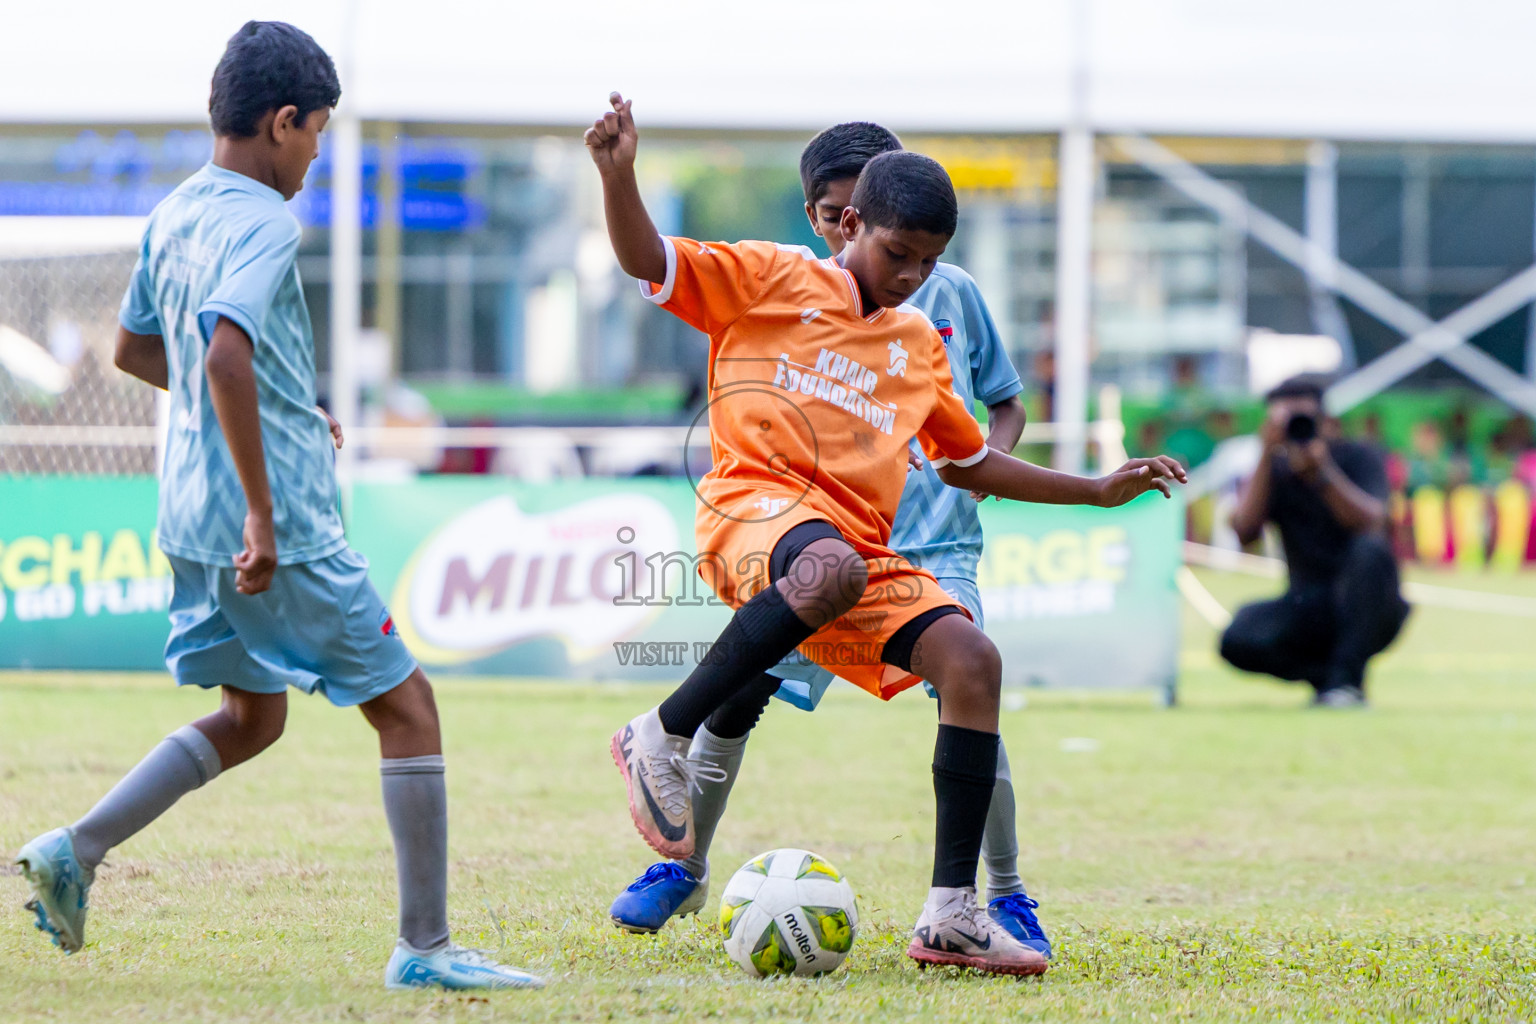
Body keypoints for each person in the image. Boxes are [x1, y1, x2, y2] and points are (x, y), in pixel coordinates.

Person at [585, 92, 1184, 975]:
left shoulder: (917, 342)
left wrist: (1097, 490)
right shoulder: (770, 276)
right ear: (849, 223)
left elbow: (973, 458)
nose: (909, 276)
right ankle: (660, 735)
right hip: (754, 509)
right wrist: (619, 173)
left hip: (858, 557)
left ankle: (953, 914)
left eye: (927, 262)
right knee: (817, 584)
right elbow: (648, 260)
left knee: (971, 662)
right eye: (898, 254)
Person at [13, 22, 540, 991]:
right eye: (317, 133)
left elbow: (138, 352)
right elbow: (221, 353)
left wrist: (286, 410)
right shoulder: (263, 219)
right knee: (410, 709)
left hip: (187, 520)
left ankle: (73, 851)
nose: (315, 156)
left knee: (254, 717)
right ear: (283, 120)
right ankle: (425, 950)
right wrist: (263, 510)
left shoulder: (176, 211)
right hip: (277, 527)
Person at [1221, 374, 1410, 707]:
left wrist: (1321, 473)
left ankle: (1345, 681)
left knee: (1369, 551)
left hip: (1369, 604)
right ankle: (1333, 680)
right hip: (1308, 605)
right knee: (1237, 637)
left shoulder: (1357, 456)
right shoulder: (1274, 470)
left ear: (1326, 420)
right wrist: (1266, 454)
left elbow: (1373, 524)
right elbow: (1244, 532)